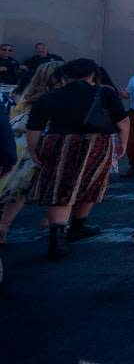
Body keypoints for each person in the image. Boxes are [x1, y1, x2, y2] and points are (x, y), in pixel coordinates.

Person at [25, 58, 129, 259]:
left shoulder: (50, 96)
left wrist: (33, 149)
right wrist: (122, 143)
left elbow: (34, 126)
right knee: (91, 183)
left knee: (60, 187)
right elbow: (122, 121)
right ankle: (78, 226)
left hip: (58, 143)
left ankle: (58, 237)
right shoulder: (105, 92)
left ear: (65, 76)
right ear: (92, 74)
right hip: (95, 143)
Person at [0, 61, 63, 243]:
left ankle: (4, 225)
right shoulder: (55, 97)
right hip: (41, 143)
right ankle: (55, 222)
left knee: (17, 188)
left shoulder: (26, 94)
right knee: (54, 183)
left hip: (18, 144)